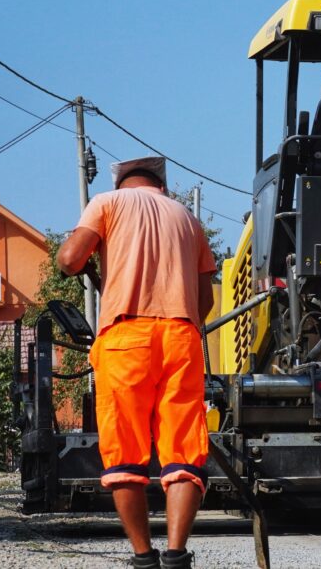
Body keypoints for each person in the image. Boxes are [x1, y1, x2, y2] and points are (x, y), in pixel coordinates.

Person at [57, 156, 216, 569]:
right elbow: (206, 302)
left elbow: (70, 260)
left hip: (126, 338)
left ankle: (144, 558)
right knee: (183, 452)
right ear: (160, 185)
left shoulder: (106, 203)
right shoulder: (188, 219)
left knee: (125, 453)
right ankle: (177, 554)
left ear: (123, 182)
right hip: (181, 336)